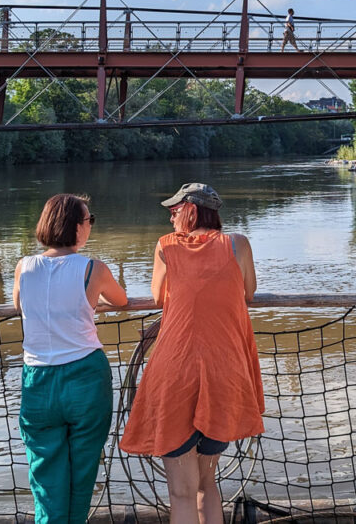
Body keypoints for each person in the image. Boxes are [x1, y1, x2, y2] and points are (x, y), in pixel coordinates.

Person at [120, 182, 263, 524]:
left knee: (181, 492)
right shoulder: (238, 244)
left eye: (174, 212)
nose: (170, 219)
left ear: (191, 210)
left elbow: (158, 297)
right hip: (225, 374)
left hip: (175, 375)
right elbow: (250, 292)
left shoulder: (165, 247)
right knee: (206, 485)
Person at [13, 194, 128, 524]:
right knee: (83, 470)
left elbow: (20, 305)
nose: (90, 226)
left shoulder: (24, 267)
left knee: (45, 476)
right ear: (77, 227)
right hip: (85, 377)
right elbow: (119, 301)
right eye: (89, 220)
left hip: (37, 379)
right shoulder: (93, 268)